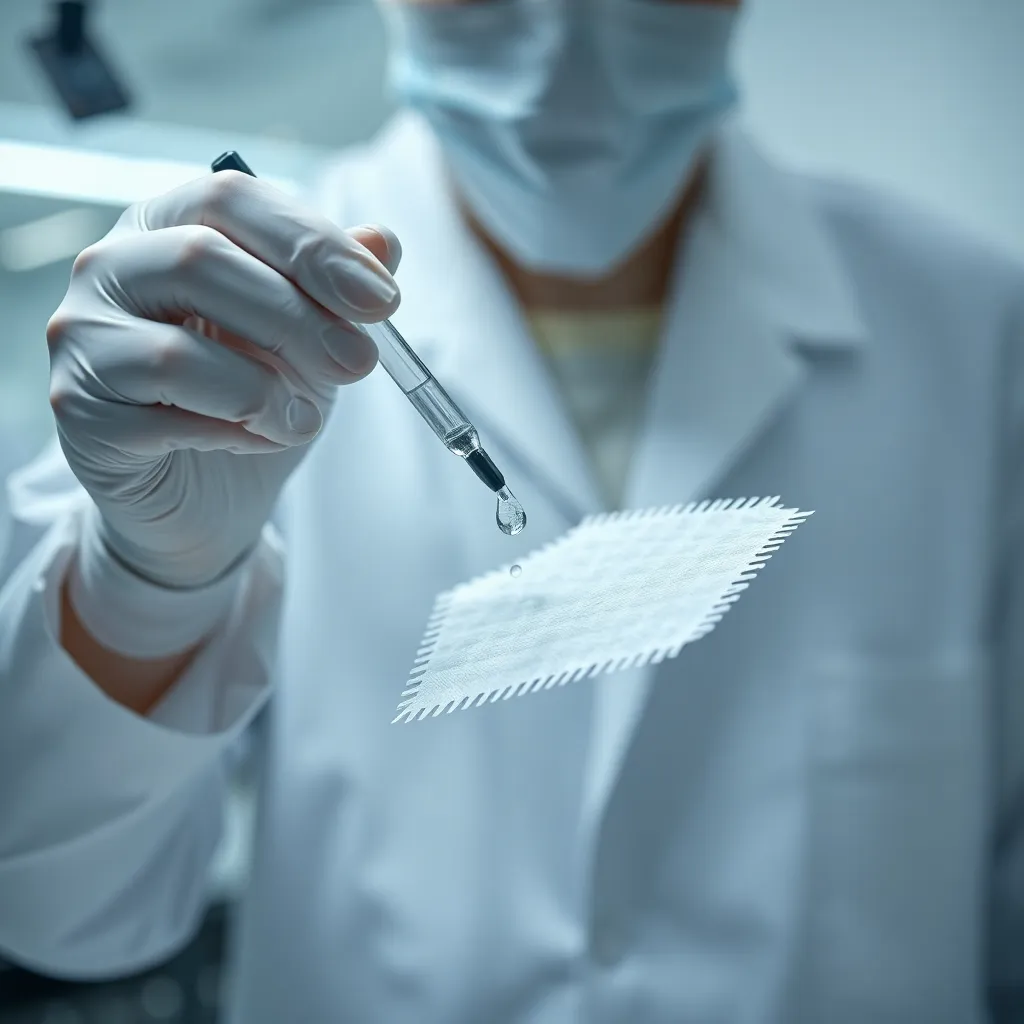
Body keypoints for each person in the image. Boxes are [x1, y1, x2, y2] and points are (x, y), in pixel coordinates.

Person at [0, 1, 1021, 1021]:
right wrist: (148, 579)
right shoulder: (213, 329)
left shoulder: (972, 334)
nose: (558, 44)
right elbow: (61, 906)